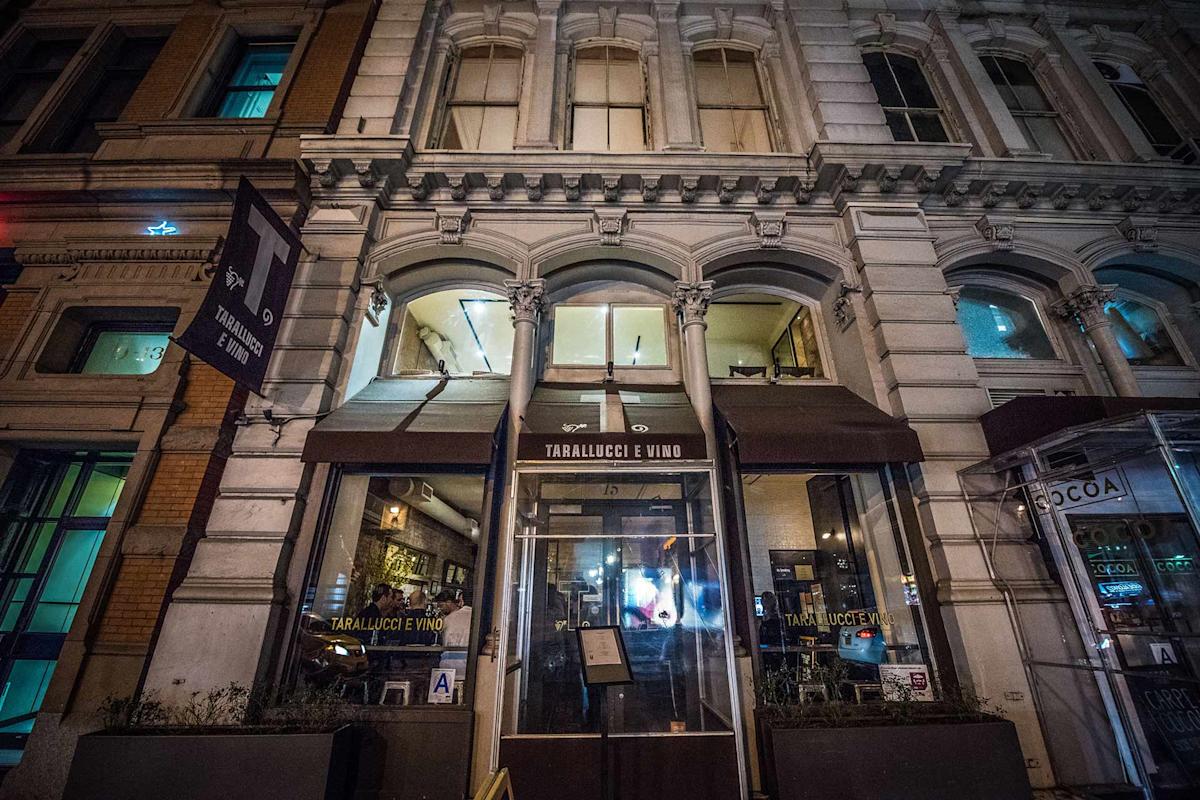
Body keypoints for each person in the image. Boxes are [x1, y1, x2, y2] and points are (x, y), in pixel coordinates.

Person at [435, 590, 472, 674]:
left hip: (447, 662)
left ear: (462, 601)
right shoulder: (478, 618)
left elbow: (443, 641)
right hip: (468, 663)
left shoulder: (448, 619)